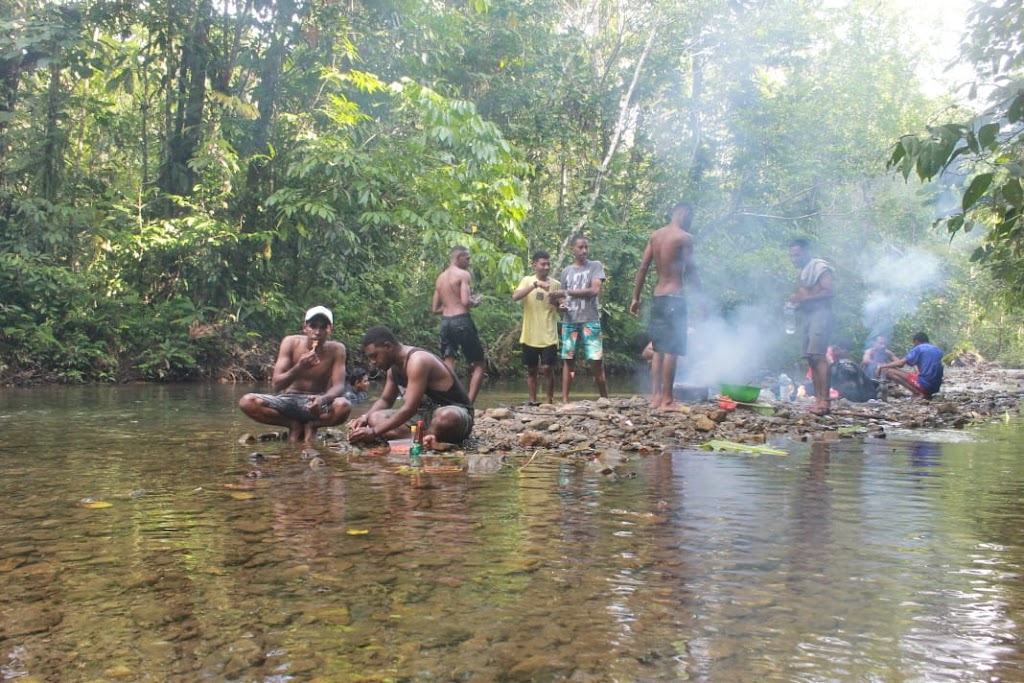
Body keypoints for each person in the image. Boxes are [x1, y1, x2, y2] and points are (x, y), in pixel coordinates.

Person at [347, 326, 474, 449]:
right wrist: (365, 417)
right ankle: (425, 439)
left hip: (456, 414)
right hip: (424, 415)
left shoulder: (417, 361)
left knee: (447, 417)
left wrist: (374, 432)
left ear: (388, 346)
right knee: (375, 418)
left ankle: (416, 439)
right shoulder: (393, 369)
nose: (372, 362)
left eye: (375, 356)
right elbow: (385, 400)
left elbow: (410, 408)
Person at [238, 306, 352, 443]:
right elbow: (276, 385)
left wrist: (323, 400)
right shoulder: (290, 342)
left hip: (317, 401)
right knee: (247, 402)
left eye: (323, 327)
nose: (317, 332)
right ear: (305, 328)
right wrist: (299, 367)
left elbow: (339, 386)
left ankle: (313, 425)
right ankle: (293, 425)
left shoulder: (337, 349)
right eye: (313, 326)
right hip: (289, 399)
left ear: (330, 329)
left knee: (344, 405)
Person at [629, 201, 701, 409]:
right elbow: (691, 270)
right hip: (675, 297)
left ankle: (655, 398)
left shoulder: (655, 236)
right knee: (671, 349)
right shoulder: (684, 238)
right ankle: (668, 399)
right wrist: (699, 300)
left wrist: (635, 298)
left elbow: (643, 267)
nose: (690, 222)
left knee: (658, 348)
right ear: (684, 212)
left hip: (658, 296)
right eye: (690, 217)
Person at [548, 235, 608, 402]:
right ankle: (565, 400)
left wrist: (565, 293)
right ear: (572, 249)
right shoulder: (566, 271)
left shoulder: (595, 266)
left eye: (586, 247)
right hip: (570, 320)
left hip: (590, 319)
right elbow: (562, 298)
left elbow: (594, 290)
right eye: (580, 247)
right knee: (568, 359)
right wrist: (561, 304)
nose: (584, 251)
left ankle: (604, 397)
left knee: (596, 359)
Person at [432, 245, 486, 403]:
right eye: (467, 258)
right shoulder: (463, 275)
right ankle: (468, 403)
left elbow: (435, 309)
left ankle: (448, 401)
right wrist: (476, 301)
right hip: (462, 321)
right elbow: (465, 301)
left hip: (445, 323)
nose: (469, 262)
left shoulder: (440, 278)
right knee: (479, 363)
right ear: (458, 257)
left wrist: (449, 306)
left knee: (448, 362)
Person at [788, 237, 835, 416]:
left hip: (821, 315)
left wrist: (805, 299)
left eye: (797, 255)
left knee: (818, 355)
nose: (794, 258)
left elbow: (829, 291)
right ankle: (818, 400)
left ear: (807, 252)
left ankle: (826, 401)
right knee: (810, 358)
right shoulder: (802, 274)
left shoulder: (821, 268)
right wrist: (793, 304)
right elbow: (802, 298)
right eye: (791, 256)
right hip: (808, 316)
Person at [511, 249, 561, 405]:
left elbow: (562, 308)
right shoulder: (527, 280)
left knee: (547, 368)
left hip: (549, 334)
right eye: (543, 264)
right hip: (530, 334)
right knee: (532, 370)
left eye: (548, 264)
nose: (546, 267)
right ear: (535, 265)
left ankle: (548, 400)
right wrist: (535, 285)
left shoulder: (556, 284)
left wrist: (559, 304)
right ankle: (532, 401)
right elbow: (515, 297)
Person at [877, 332, 945, 399]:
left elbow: (901, 364)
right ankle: (924, 393)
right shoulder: (938, 350)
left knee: (888, 371)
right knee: (917, 375)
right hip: (936, 387)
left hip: (925, 385)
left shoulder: (919, 348)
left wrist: (882, 366)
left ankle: (918, 393)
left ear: (916, 341)